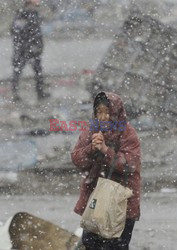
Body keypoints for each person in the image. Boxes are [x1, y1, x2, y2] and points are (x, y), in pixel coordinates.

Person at [71, 91, 141, 250]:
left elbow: (129, 165)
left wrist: (105, 150)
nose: (102, 117)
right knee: (91, 244)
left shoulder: (128, 134)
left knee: (116, 246)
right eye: (99, 112)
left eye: (107, 112)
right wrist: (90, 148)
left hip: (121, 204)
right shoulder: (92, 131)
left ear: (116, 113)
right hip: (95, 202)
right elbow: (77, 159)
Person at [11, 0, 48, 101]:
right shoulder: (21, 15)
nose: (34, 6)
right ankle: (15, 94)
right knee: (17, 72)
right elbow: (17, 33)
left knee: (38, 72)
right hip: (22, 50)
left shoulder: (35, 15)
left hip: (34, 50)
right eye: (33, 4)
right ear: (27, 4)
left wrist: (38, 46)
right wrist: (25, 46)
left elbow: (37, 33)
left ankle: (40, 93)